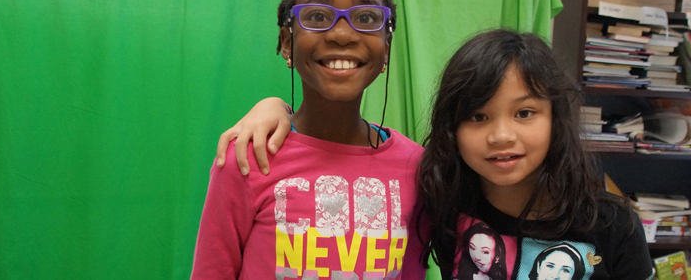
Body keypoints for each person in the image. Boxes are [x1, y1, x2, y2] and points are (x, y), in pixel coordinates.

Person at [214, 29, 654, 279]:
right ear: (452, 129)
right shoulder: (446, 206)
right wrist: (275, 107)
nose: (502, 136)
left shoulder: (611, 223)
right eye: (478, 118)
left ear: (556, 118)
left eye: (524, 113)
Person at [191, 0, 426, 279]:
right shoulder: (248, 157)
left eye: (367, 17)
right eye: (317, 15)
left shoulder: (419, 168)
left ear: (386, 48)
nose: (342, 34)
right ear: (287, 43)